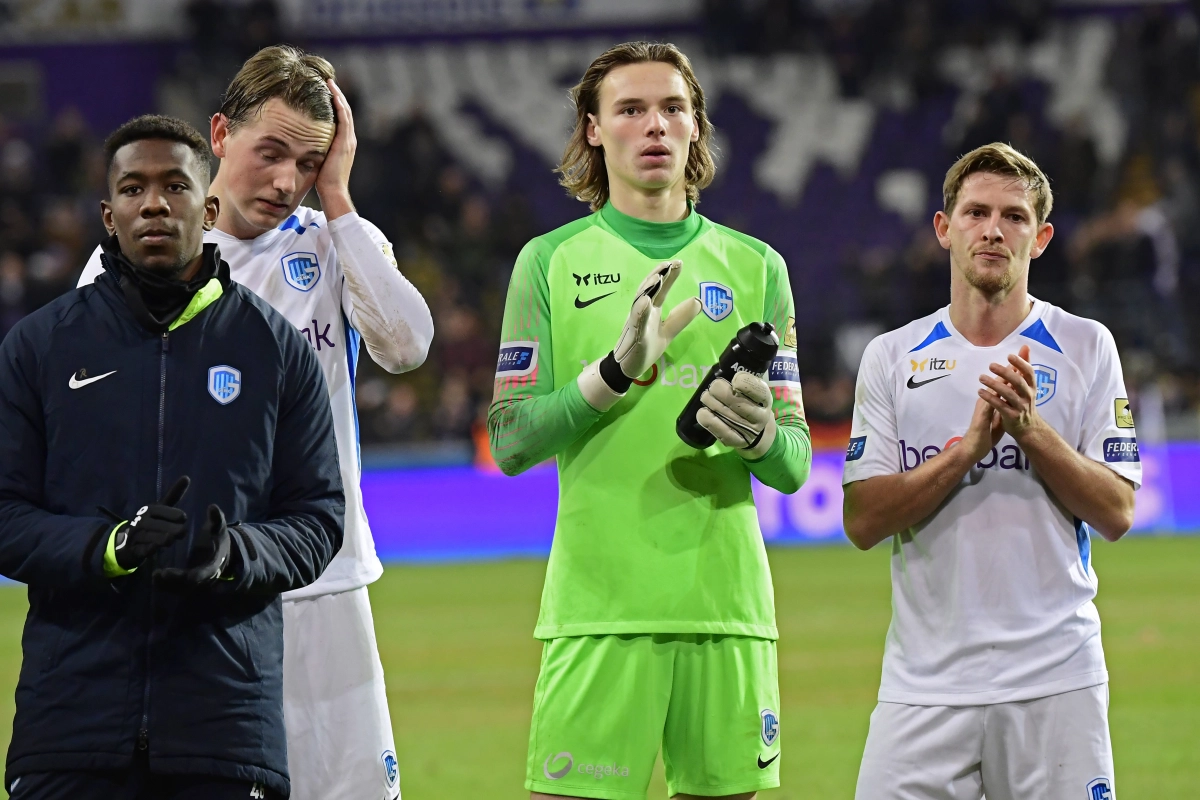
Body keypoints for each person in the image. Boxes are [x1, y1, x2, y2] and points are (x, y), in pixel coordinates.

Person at [78, 45, 433, 800]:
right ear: (219, 134)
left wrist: (337, 197)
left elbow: (406, 346)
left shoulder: (331, 243)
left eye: (306, 162)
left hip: (325, 583)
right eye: (270, 152)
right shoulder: (133, 258)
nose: (284, 181)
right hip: (196, 591)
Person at [487, 41, 812, 800]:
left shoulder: (758, 266)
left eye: (673, 107)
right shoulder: (549, 261)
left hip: (727, 613)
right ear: (594, 130)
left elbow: (794, 465)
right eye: (630, 109)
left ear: (697, 125)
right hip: (598, 612)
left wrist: (762, 436)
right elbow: (509, 441)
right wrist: (611, 375)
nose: (655, 125)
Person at [0, 115, 344, 799]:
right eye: (132, 188)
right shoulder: (39, 348)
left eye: (173, 186)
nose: (152, 203)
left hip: (224, 728)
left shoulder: (275, 351)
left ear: (208, 206)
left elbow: (317, 518)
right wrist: (110, 546)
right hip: (70, 725)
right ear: (108, 213)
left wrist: (237, 556)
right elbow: (5, 514)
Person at [841, 143, 1139, 800]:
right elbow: (862, 521)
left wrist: (1031, 432)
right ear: (945, 229)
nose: (993, 229)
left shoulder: (1088, 346)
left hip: (1056, 678)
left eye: (1014, 216)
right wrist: (964, 453)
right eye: (976, 212)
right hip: (923, 683)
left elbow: (1117, 512)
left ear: (1041, 239)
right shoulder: (892, 357)